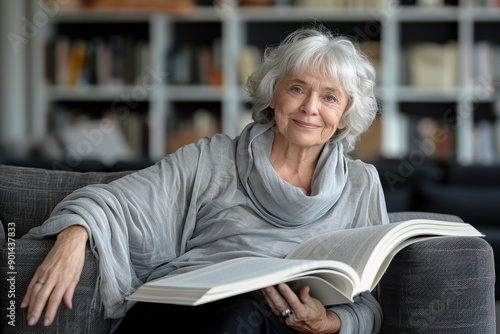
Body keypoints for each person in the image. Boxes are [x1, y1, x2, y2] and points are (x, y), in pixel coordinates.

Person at [21, 25, 389, 334]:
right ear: (274, 94)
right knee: (240, 314)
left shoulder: (361, 183)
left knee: (251, 316)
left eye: (329, 98)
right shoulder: (211, 158)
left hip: (282, 325)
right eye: (297, 89)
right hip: (185, 313)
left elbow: (368, 299)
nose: (310, 107)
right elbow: (119, 201)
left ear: (343, 116)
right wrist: (74, 234)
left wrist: (330, 322)